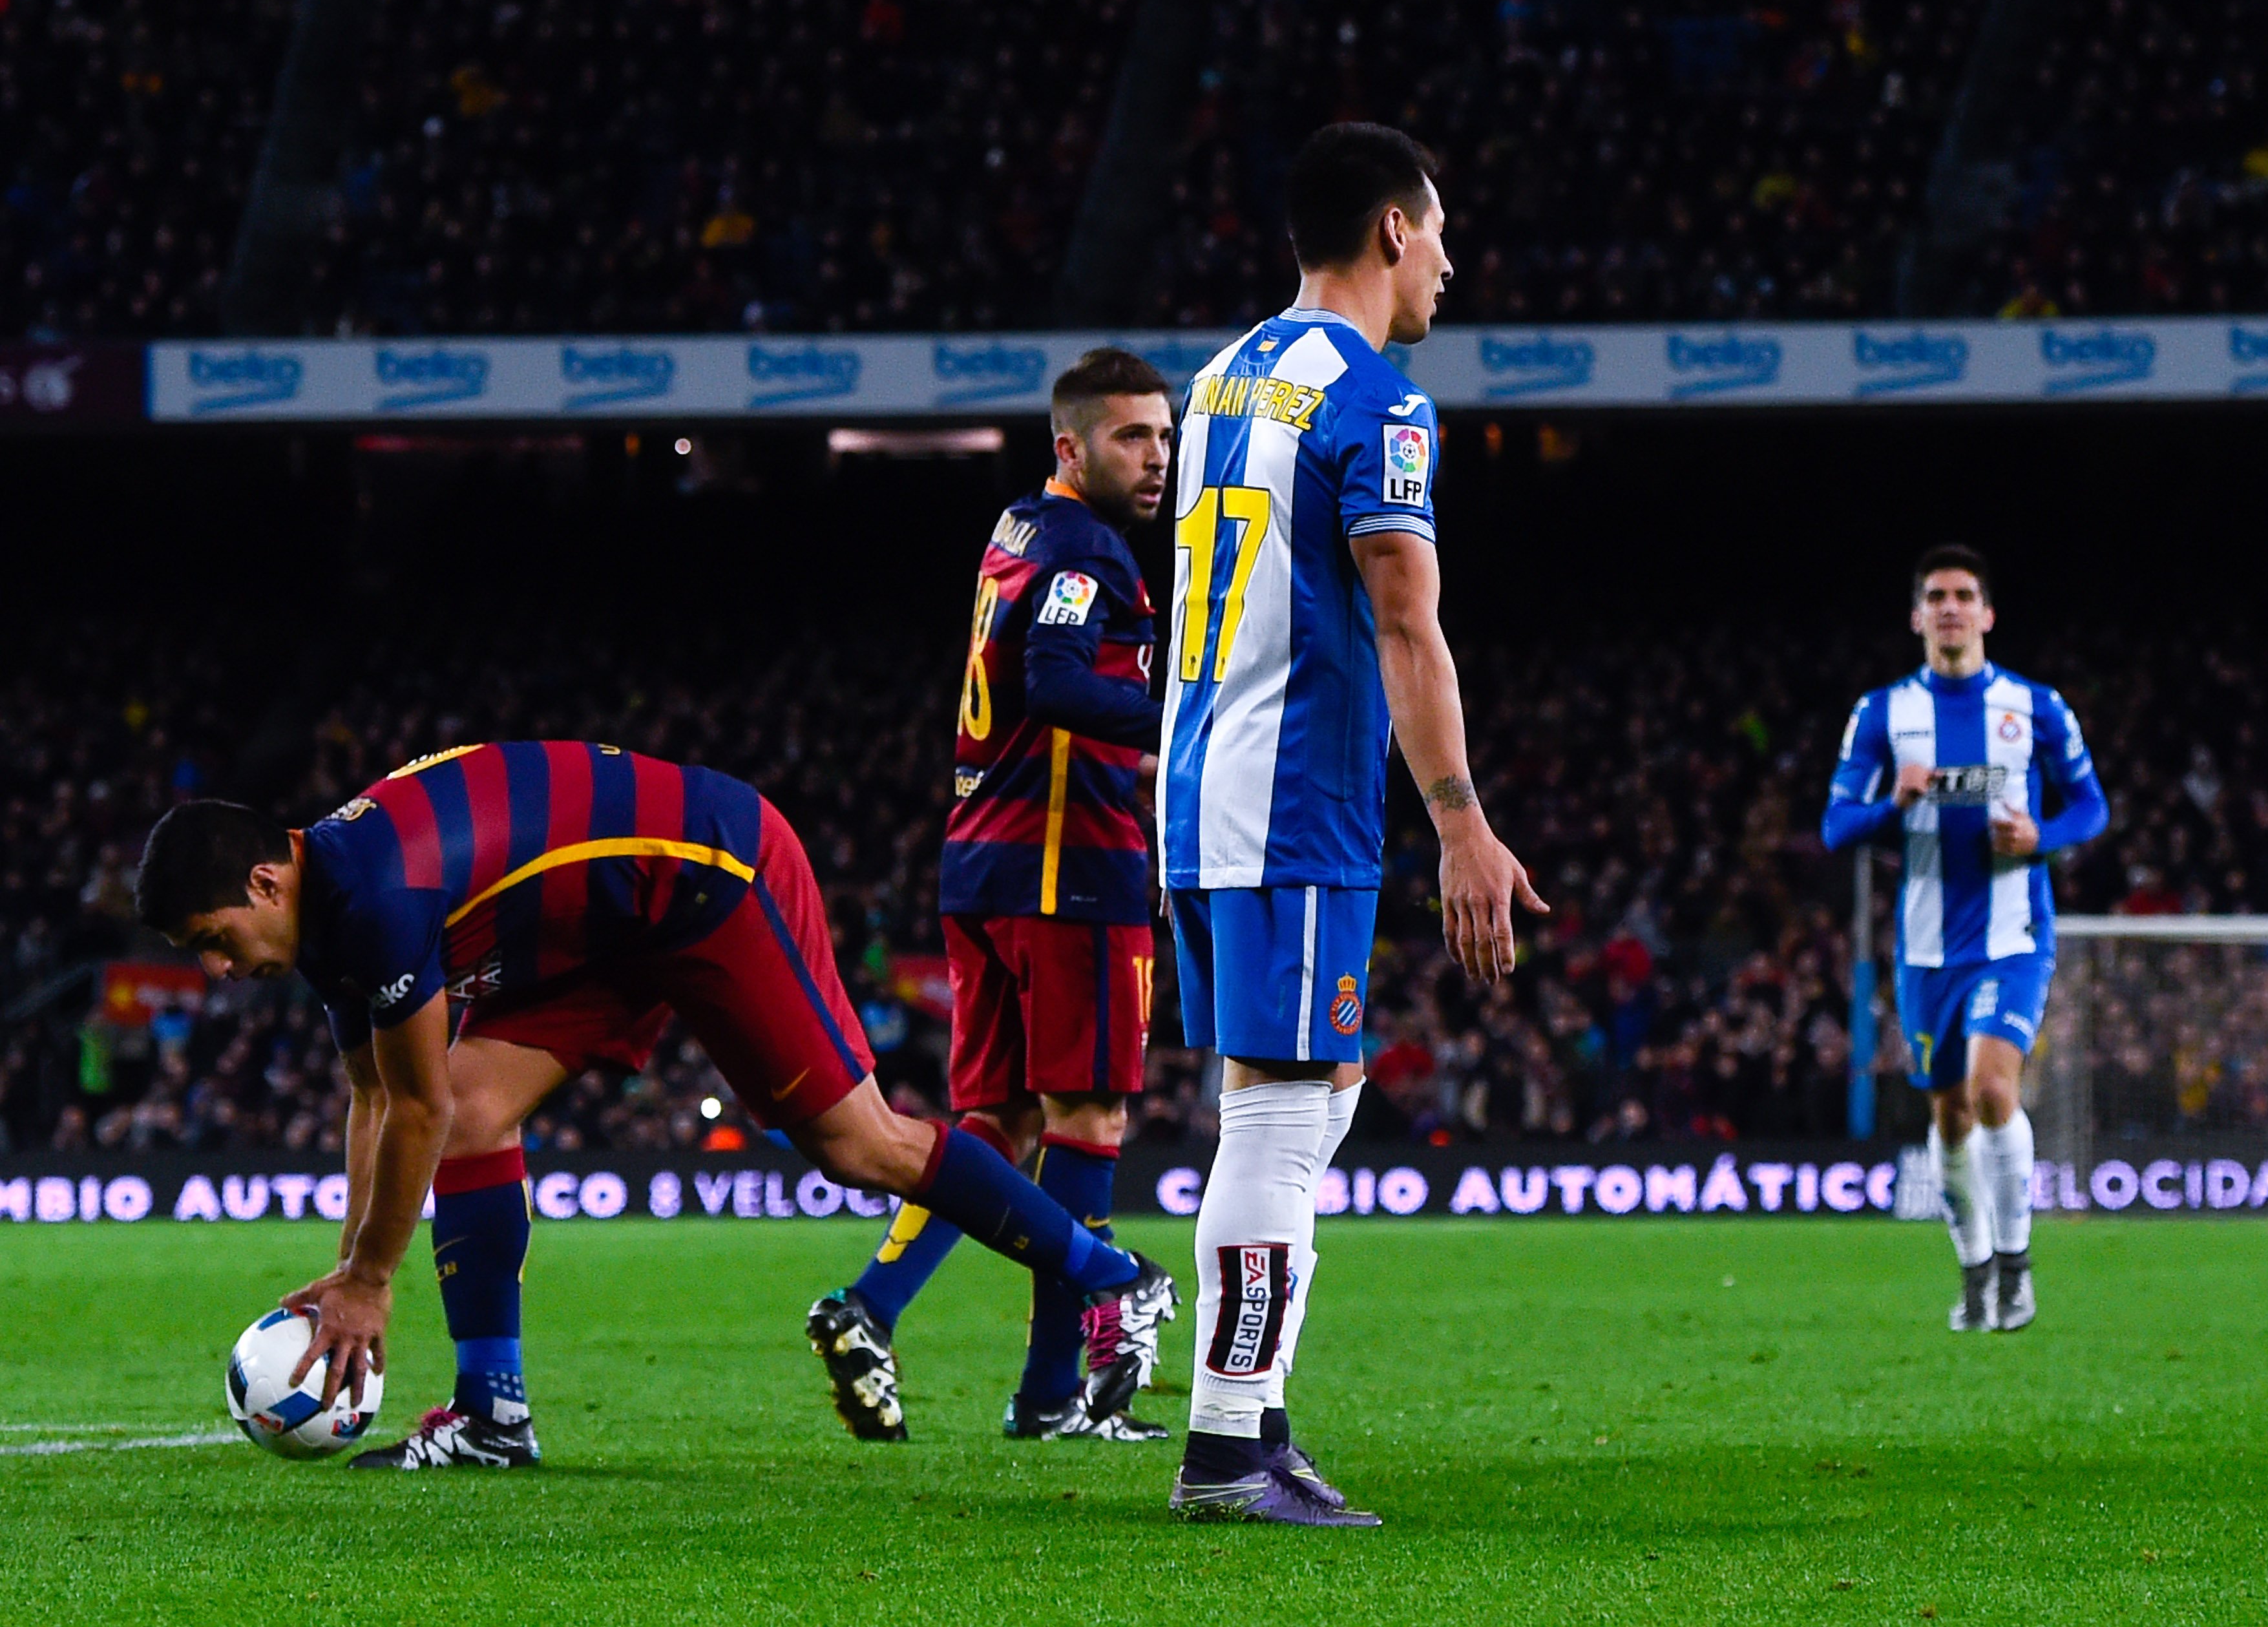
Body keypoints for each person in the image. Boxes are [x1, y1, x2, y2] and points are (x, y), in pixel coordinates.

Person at [133, 745, 1172, 1471]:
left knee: (860, 1145)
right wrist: (354, 1265)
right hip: (611, 917)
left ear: (266, 882)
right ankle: (494, 1414)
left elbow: (412, 1107)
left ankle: (1114, 1283)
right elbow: (373, 1096)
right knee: (480, 1112)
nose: (220, 972)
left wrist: (371, 1280)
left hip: (709, 870)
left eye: (212, 941)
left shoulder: (374, 898)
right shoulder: (326, 911)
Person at [1158, 121, 1545, 1525]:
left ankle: (1250, 1408)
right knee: (1276, 1113)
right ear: (1392, 229)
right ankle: (1222, 1441)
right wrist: (1460, 821)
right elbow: (1403, 617)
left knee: (1310, 1094)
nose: (1448, 261)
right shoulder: (1376, 400)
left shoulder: (1216, 378)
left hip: (1201, 788)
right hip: (1295, 799)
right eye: (1439, 232)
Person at [811, 348, 1179, 1445]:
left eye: (1163, 435)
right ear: (1070, 446)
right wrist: (1186, 723)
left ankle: (867, 1306)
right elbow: (1059, 681)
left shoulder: (1017, 527)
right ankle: (1056, 1391)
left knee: (1000, 1121)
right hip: (1068, 864)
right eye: (1131, 437)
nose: (1156, 457)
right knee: (1088, 1118)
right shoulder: (1086, 550)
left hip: (983, 853)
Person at [1822, 546, 2108, 1332]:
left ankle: (2016, 1269)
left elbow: (2091, 806)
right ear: (1917, 616)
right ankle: (1976, 1266)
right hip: (1922, 952)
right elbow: (1835, 824)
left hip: (2013, 934)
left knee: (1991, 1090)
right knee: (1948, 1116)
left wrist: (2040, 835)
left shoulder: (2034, 706)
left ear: (1986, 614)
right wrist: (1893, 802)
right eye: (1936, 596)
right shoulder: (1881, 713)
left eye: (1964, 595)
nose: (1950, 608)